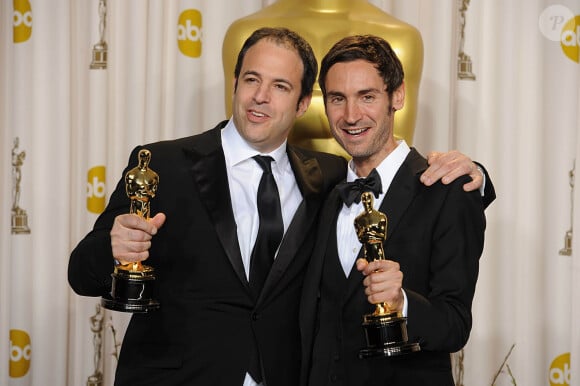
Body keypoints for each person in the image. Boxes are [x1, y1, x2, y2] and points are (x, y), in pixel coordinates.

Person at [69, 27, 488, 386]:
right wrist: (111, 247)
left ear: (303, 104)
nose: (261, 98)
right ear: (235, 83)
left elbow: (444, 285)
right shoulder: (161, 165)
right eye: (252, 79)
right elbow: (81, 273)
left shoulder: (324, 176)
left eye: (281, 86)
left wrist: (477, 176)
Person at [299, 35, 494, 386]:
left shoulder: (449, 190)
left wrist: (402, 302)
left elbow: (455, 325)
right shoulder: (321, 188)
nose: (351, 115)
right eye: (337, 99)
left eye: (367, 96)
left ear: (398, 96)